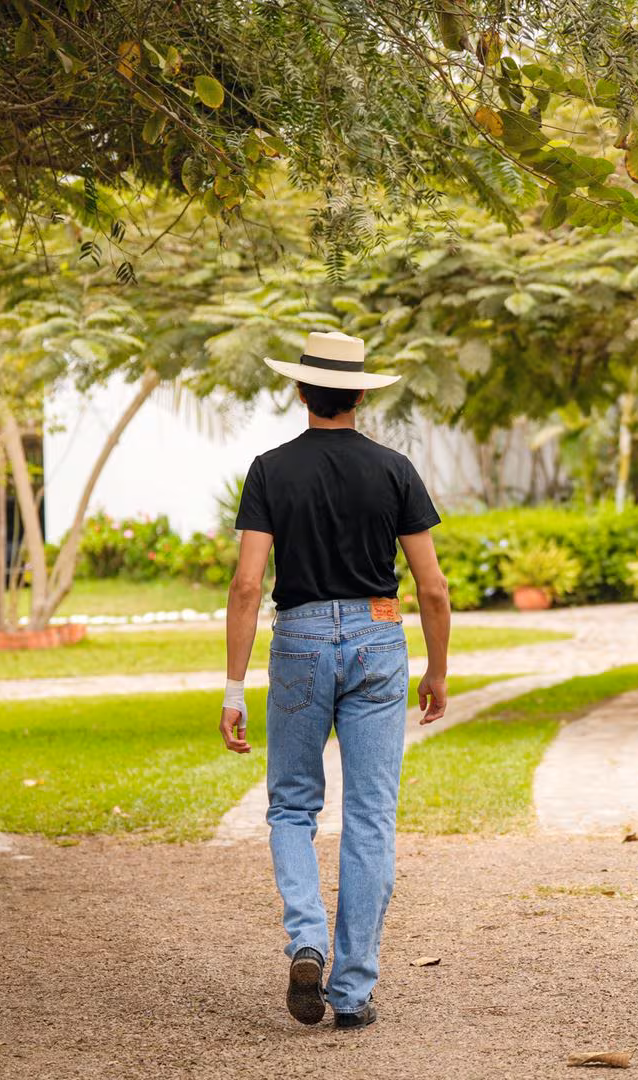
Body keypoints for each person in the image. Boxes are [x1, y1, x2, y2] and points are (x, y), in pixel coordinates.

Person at [218, 330, 451, 1031]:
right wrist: (436, 669)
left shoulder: (269, 470)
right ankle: (351, 993)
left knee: (291, 806)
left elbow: (247, 583)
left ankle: (307, 939)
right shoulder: (394, 469)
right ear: (358, 393)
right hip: (380, 637)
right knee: (372, 818)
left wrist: (233, 688)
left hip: (300, 639)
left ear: (299, 391)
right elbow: (432, 588)